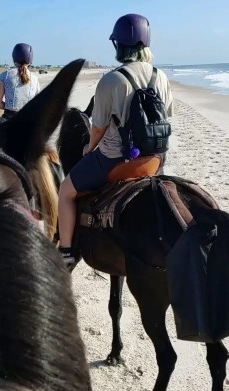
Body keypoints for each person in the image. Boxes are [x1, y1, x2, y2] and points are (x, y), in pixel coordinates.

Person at [56, 13, 174, 269]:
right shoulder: (161, 77)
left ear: (118, 46)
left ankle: (66, 250)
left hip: (115, 159)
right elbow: (168, 118)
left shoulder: (111, 80)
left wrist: (88, 150)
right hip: (155, 160)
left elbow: (97, 128)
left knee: (65, 191)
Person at [0, 43, 40, 119]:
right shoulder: (35, 79)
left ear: (14, 57)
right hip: (28, 122)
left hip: (9, 120)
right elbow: (37, 105)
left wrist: (10, 106)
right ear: (30, 60)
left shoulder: (5, 75)